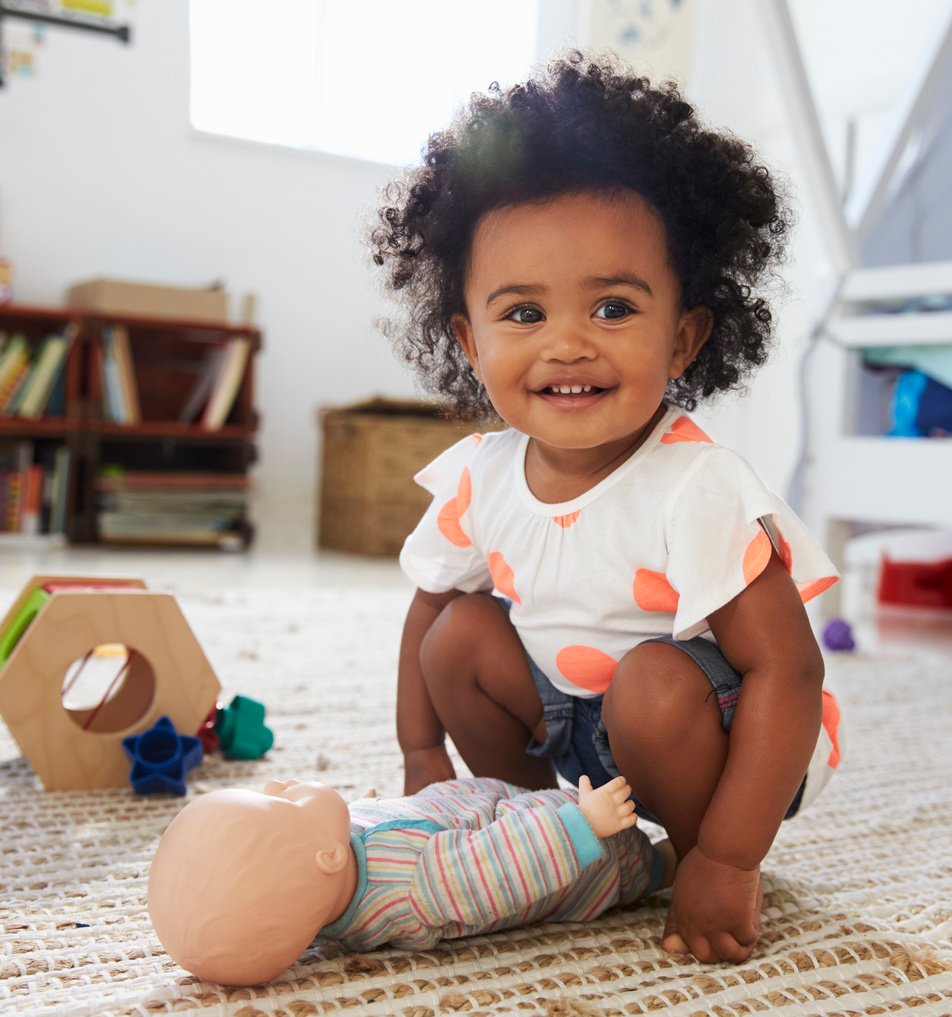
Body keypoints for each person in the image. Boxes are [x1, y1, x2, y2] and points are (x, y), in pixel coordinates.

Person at [369, 52, 846, 966]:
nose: (569, 343)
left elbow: (789, 675)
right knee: (459, 635)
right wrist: (422, 759)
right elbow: (429, 610)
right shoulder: (482, 474)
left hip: (721, 740)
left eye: (615, 306)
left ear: (685, 337)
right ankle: (557, 830)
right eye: (522, 315)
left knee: (653, 681)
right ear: (468, 341)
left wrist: (731, 858)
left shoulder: (694, 483)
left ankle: (685, 852)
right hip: (582, 725)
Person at [148, 774, 672, 986]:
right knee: (665, 859)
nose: (281, 782)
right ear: (327, 858)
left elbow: (354, 828)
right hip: (590, 855)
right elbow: (505, 864)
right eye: (282, 800)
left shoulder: (324, 878)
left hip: (494, 802)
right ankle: (674, 861)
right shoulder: (420, 885)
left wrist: (374, 814)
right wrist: (585, 824)